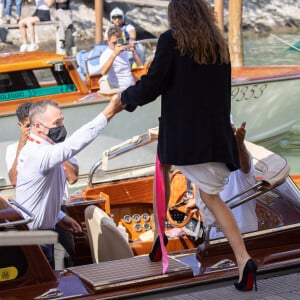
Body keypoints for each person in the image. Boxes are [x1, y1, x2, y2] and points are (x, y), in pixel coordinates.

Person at [111, 0, 257, 292]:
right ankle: (166, 238)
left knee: (193, 185)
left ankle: (164, 238)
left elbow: (153, 85)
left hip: (185, 138)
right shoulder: (218, 44)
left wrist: (124, 98)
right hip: (214, 138)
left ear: (175, 14)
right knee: (177, 173)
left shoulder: (171, 40)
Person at [15, 99, 121, 268]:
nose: (61, 126)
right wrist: (108, 112)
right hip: (32, 239)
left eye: (62, 120)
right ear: (37, 126)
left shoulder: (45, 149)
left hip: (40, 234)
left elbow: (42, 197)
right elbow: (73, 145)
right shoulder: (37, 154)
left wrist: (59, 217)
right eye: (56, 123)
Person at [6, 101, 79, 267]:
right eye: (29, 126)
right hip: (35, 219)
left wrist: (54, 149)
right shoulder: (14, 150)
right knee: (43, 268)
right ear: (21, 126)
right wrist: (22, 144)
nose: (35, 131)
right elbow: (14, 181)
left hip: (59, 211)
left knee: (67, 262)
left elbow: (73, 177)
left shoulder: (60, 145)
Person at [186, 122, 258, 239]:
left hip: (245, 236)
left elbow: (245, 167)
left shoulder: (239, 161)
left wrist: (240, 145)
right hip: (215, 237)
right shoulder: (206, 164)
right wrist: (196, 201)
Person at [98, 26, 142, 93]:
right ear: (108, 41)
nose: (117, 45)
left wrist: (134, 53)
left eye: (119, 42)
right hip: (118, 89)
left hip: (130, 87)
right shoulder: (105, 55)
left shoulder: (125, 51)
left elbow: (141, 67)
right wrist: (114, 54)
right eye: (114, 43)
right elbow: (103, 72)